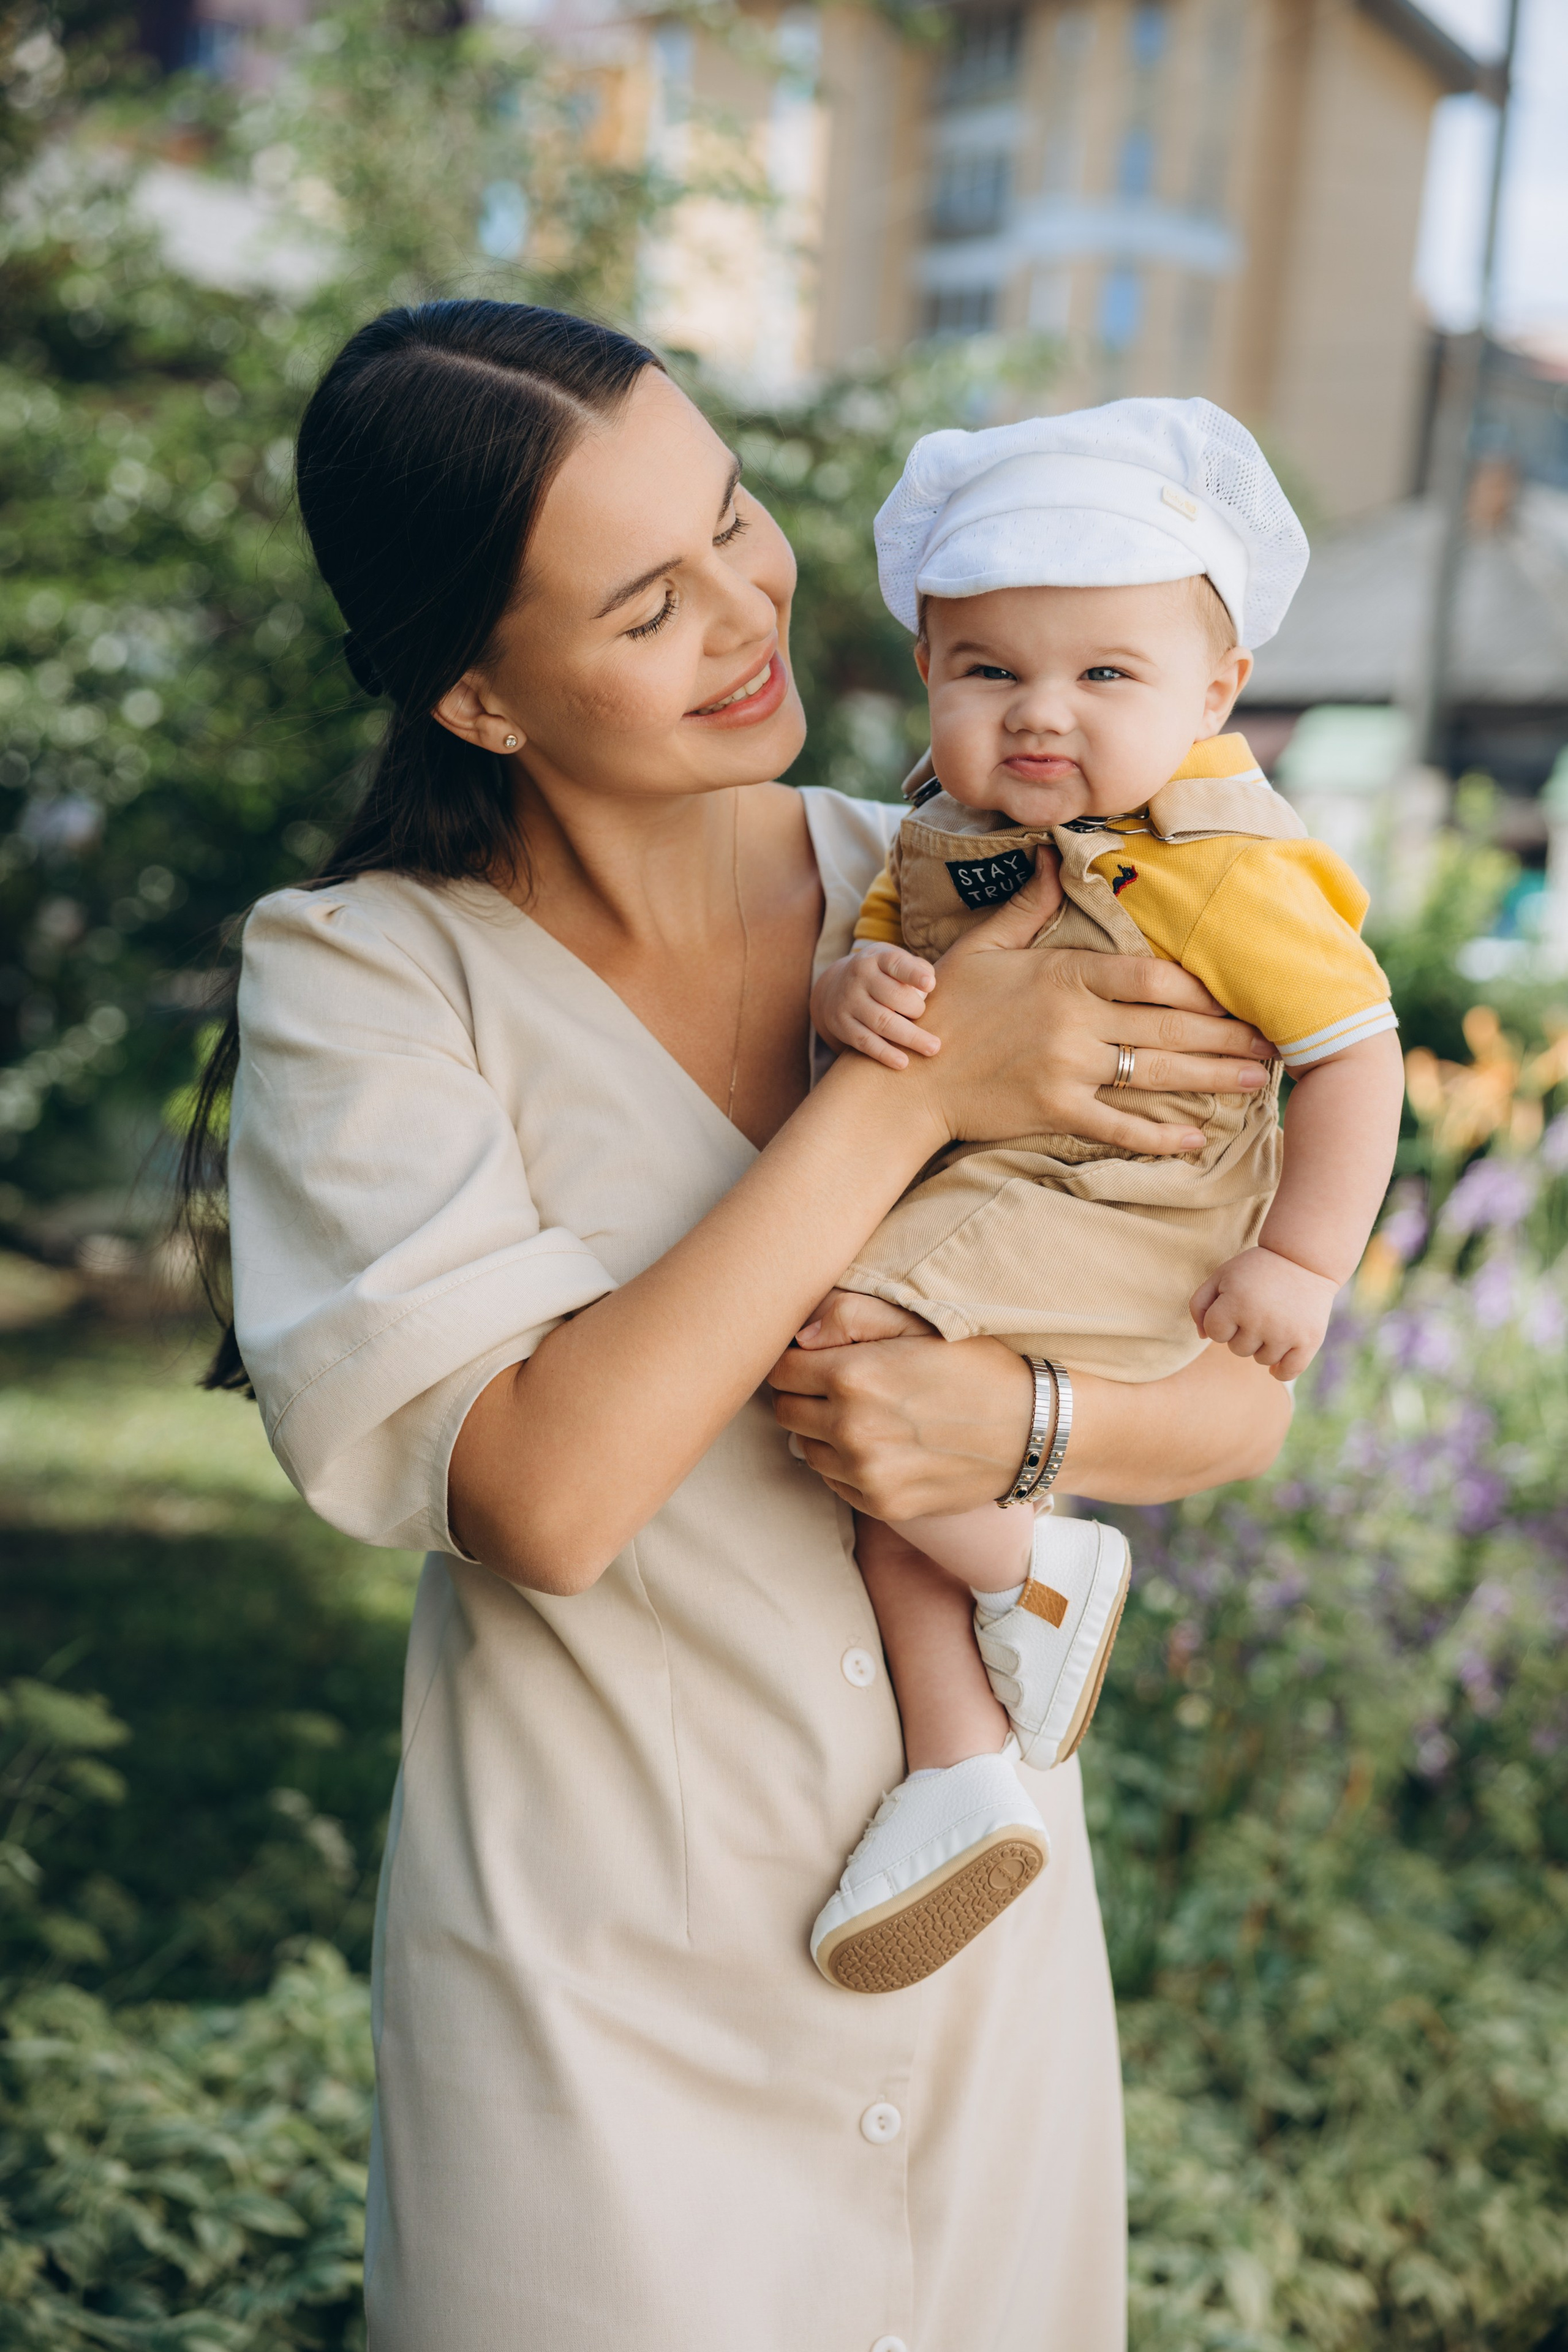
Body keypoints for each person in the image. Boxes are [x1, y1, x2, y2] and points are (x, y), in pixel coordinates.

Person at [197, 300, 1294, 2352]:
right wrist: (912, 1089)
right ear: (480, 694)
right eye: (644, 604)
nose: (745, 617)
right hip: (596, 2022)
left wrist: (1017, 1423)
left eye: (734, 522)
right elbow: (544, 1491)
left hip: (972, 1956)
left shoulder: (995, 875)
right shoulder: (368, 981)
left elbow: (1244, 1395)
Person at [799, 401, 1406, 1997]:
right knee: (879, 1482)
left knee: (832, 1334)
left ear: (1218, 693)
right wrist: (850, 990)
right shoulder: (939, 831)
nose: (1040, 716)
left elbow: (1354, 1054)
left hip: (1132, 1200)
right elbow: (870, 961)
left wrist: (1303, 1263)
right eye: (989, 671)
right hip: (1003, 1185)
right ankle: (958, 1773)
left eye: (1105, 676)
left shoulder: (1217, 863)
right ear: (928, 674)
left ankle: (1039, 1573)